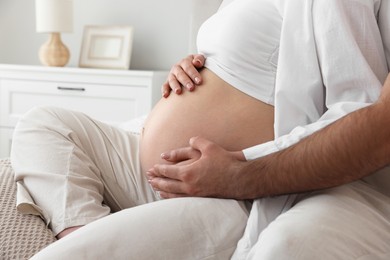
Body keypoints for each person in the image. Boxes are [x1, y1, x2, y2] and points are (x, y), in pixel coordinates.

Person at [10, 0, 390, 259]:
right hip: (163, 171)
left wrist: (238, 172)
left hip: (232, 188)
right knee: (43, 124)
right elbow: (247, 64)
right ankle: (84, 228)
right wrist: (195, 66)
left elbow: (359, 110)